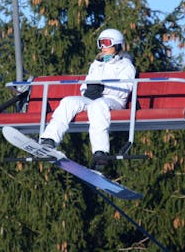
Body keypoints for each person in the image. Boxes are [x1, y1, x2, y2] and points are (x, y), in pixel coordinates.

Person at [39, 28, 136, 169]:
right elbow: (85, 85)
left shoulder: (125, 65)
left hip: (113, 100)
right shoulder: (97, 64)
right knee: (68, 101)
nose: (103, 47)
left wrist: (103, 88)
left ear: (117, 45)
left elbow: (125, 88)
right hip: (93, 98)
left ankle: (100, 152)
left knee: (98, 106)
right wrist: (88, 90)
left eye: (107, 43)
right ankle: (49, 140)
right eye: (100, 43)